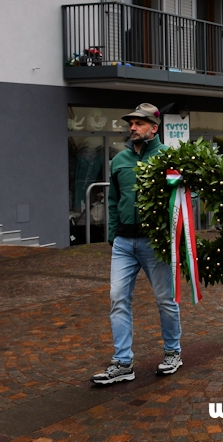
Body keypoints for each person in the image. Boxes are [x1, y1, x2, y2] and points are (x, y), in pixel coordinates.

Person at [92, 103, 182, 386]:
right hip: (123, 242)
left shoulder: (168, 158)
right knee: (117, 297)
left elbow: (182, 198)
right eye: (131, 123)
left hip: (153, 242)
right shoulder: (119, 160)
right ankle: (122, 362)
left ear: (153, 128)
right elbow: (114, 200)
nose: (133, 127)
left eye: (139, 123)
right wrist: (112, 234)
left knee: (165, 300)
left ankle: (173, 352)